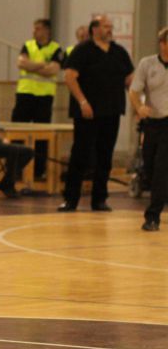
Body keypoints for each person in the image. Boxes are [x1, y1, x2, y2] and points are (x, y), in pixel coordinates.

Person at [59, 15, 134, 213]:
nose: (110, 29)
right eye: (106, 26)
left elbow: (130, 80)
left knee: (105, 156)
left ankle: (99, 199)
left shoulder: (119, 52)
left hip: (112, 111)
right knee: (80, 155)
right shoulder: (83, 50)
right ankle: (70, 199)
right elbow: (69, 76)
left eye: (111, 26)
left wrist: (138, 104)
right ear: (94, 29)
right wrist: (83, 101)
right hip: (88, 113)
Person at [128, 27, 168, 231]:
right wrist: (139, 107)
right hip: (153, 122)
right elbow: (134, 91)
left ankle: (152, 217)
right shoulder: (147, 63)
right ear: (162, 44)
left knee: (162, 169)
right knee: (150, 168)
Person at [12, 19, 64, 131]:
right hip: (25, 92)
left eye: (38, 29)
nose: (34, 31)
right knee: (18, 127)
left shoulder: (55, 48)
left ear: (46, 30)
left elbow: (52, 70)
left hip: (44, 95)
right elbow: (21, 63)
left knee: (42, 129)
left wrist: (31, 66)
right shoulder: (28, 45)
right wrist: (43, 64)